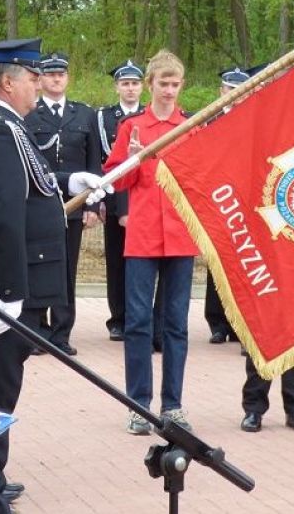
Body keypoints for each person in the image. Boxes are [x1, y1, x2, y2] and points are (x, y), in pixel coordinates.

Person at [0, 38, 105, 512]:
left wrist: (65, 182)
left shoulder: (3, 126)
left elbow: (24, 187)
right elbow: (2, 216)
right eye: (32, 77)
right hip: (3, 286)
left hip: (7, 281)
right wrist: (13, 292)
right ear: (10, 82)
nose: (39, 84)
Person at [105, 49, 199, 435]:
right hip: (142, 237)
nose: (169, 91)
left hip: (180, 237)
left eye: (175, 84)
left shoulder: (191, 125)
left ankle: (173, 404)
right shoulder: (133, 127)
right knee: (139, 322)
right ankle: (138, 404)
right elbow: (115, 180)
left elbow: (201, 180)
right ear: (150, 84)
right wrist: (129, 161)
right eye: (163, 83)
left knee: (176, 324)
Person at [25, 52, 102, 356]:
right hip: (41, 203)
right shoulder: (30, 113)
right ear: (41, 79)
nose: (56, 79)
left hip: (74, 205)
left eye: (61, 74)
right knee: (40, 264)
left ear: (68, 78)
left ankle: (61, 333)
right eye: (50, 74)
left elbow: (93, 162)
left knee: (67, 269)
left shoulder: (83, 114)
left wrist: (94, 206)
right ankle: (38, 331)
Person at [97, 59, 146, 341]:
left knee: (141, 260)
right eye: (125, 83)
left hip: (141, 195)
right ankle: (117, 318)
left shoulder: (147, 116)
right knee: (116, 260)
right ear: (117, 87)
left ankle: (139, 315)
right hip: (115, 194)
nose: (130, 88)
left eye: (135, 83)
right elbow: (102, 160)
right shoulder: (103, 117)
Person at [205, 65, 251, 344]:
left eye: (240, 91)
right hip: (217, 201)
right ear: (221, 91)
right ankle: (218, 323)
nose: (234, 96)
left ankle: (240, 323)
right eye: (229, 90)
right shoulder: (208, 122)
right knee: (218, 263)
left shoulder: (257, 122)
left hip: (246, 203)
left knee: (244, 265)